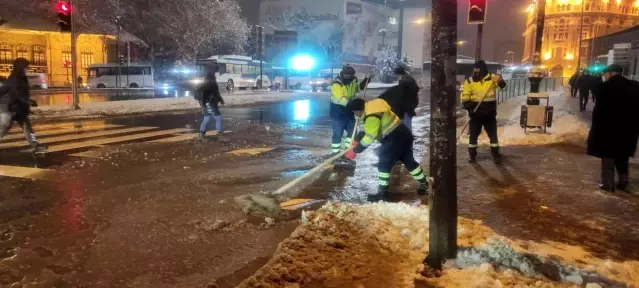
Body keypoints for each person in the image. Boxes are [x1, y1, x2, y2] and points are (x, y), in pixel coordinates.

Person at [344, 98, 427, 201]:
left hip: (393, 138)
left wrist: (356, 150)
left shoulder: (371, 116)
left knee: (383, 163)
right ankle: (425, 184)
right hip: (403, 133)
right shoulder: (372, 106)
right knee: (409, 161)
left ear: (359, 110)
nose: (354, 114)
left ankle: (382, 193)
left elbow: (370, 137)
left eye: (354, 112)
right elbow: (369, 128)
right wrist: (357, 139)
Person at [587, 64, 639, 192]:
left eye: (605, 74)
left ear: (610, 73)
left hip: (607, 129)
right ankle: (623, 180)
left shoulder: (603, 88)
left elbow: (599, 111)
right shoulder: (635, 86)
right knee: (623, 154)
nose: (604, 76)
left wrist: (594, 130)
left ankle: (608, 184)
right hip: (628, 129)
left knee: (608, 155)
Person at [461, 60, 507, 164]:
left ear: (484, 69)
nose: (476, 72)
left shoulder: (492, 79)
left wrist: (500, 81)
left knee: (493, 136)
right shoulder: (469, 81)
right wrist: (469, 109)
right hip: (476, 113)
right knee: (473, 136)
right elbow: (465, 97)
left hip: (489, 113)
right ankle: (472, 155)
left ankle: (495, 155)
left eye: (479, 69)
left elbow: (504, 89)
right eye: (475, 69)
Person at [0, 58, 46, 154]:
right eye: (26, 67)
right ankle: (34, 144)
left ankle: (34, 144)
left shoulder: (22, 78)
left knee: (27, 127)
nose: (27, 69)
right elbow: (16, 93)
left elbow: (24, 93)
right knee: (4, 127)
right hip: (10, 108)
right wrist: (28, 101)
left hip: (20, 108)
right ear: (20, 67)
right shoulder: (13, 79)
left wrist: (28, 102)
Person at [329, 65, 370, 156]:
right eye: (346, 75)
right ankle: (335, 154)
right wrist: (352, 105)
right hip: (337, 112)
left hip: (349, 112)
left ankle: (347, 152)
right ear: (343, 73)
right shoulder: (337, 83)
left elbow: (357, 89)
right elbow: (339, 98)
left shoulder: (353, 80)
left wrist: (363, 84)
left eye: (350, 75)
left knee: (352, 133)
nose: (348, 76)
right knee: (338, 134)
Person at [196, 64, 225, 139]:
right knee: (219, 118)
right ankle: (220, 134)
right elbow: (214, 92)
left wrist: (220, 100)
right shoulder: (210, 81)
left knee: (207, 118)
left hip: (207, 102)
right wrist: (219, 99)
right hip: (210, 103)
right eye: (216, 71)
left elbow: (214, 92)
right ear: (213, 72)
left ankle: (201, 133)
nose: (217, 72)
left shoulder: (209, 79)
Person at [393, 66, 419, 131]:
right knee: (407, 125)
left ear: (398, 74)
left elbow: (401, 96)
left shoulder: (403, 82)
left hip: (405, 108)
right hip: (410, 106)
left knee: (406, 127)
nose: (395, 76)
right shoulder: (409, 79)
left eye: (395, 75)